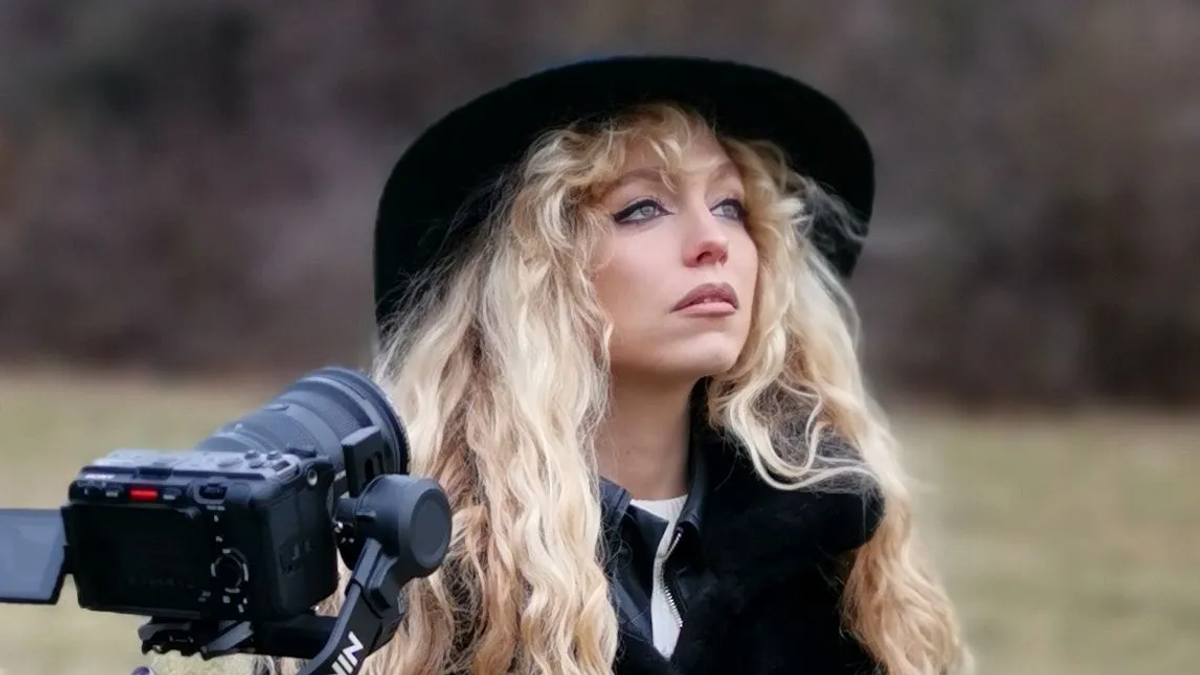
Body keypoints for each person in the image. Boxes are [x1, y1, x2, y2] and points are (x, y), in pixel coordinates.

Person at [154, 55, 970, 675]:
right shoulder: (430, 574)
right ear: (533, 276)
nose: (713, 241)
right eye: (642, 208)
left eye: (731, 205)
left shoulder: (831, 538)